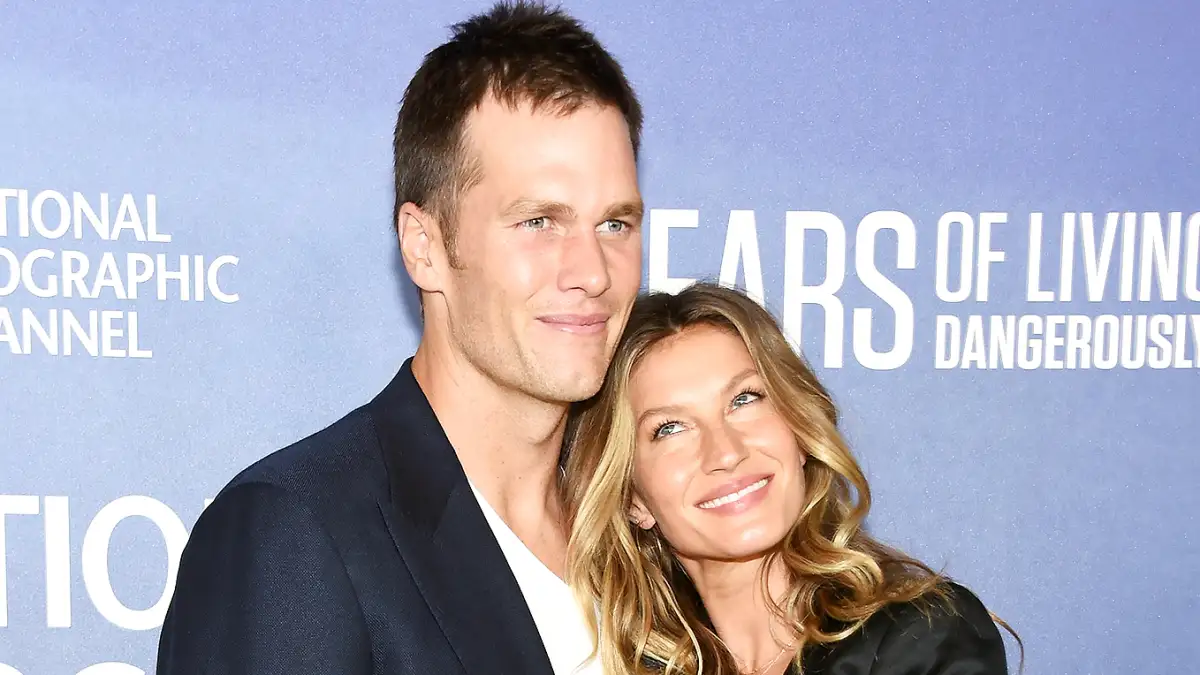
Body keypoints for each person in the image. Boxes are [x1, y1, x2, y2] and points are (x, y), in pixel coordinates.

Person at [155, 3, 644, 674]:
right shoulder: (299, 534)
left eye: (615, 224)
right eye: (538, 221)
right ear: (424, 247)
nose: (591, 272)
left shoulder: (639, 541)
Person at [563, 282, 1021, 675]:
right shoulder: (611, 662)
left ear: (800, 432)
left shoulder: (919, 639)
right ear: (632, 499)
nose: (725, 452)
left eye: (745, 400)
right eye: (670, 428)